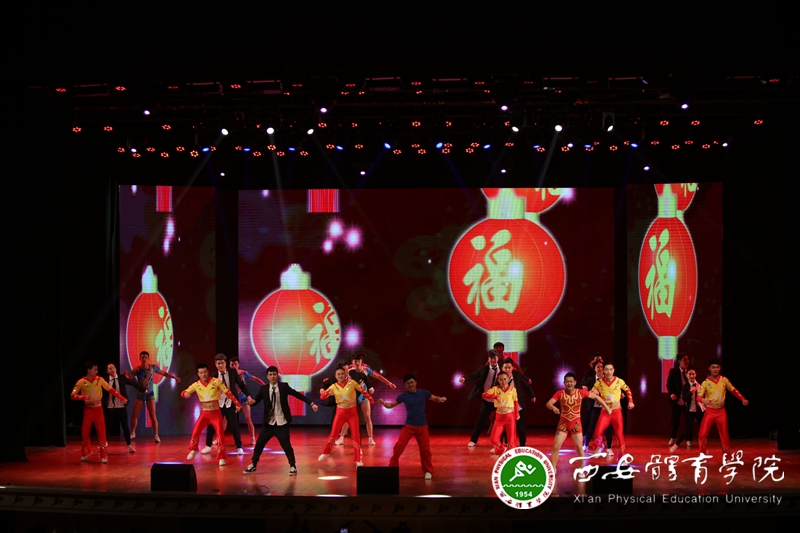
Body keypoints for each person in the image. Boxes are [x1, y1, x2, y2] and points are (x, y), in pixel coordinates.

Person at [244, 366, 319, 475]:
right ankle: (253, 464)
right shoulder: (264, 389)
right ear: (267, 376)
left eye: (274, 374)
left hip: (282, 423)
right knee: (259, 444)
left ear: (277, 375)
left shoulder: (284, 387)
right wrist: (250, 402)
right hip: (269, 423)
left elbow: (297, 395)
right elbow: (256, 401)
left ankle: (292, 466)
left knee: (286, 445)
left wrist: (311, 403)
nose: (272, 376)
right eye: (270, 375)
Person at [378, 374, 446, 479]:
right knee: (400, 445)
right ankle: (393, 466)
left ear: (416, 382)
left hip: (422, 426)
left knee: (425, 449)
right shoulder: (404, 396)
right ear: (405, 385)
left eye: (412, 382)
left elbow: (434, 398)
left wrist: (441, 399)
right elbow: (391, 405)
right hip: (409, 426)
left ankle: (428, 470)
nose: (410, 384)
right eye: (408, 383)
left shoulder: (423, 393)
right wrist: (383, 403)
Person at [546, 372, 612, 470]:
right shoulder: (560, 393)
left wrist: (606, 407)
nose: (569, 383)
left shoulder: (580, 392)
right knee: (556, 447)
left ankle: (581, 469)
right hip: (563, 424)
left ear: (575, 382)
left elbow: (596, 397)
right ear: (564, 383)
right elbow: (548, 403)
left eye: (571, 381)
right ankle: (553, 469)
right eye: (567, 382)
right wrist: (553, 408)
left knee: (579, 448)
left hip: (576, 425)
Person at [182, 362, 242, 467]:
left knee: (220, 435)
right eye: (201, 373)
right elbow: (184, 392)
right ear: (198, 374)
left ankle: (222, 457)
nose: (203, 374)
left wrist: (237, 403)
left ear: (208, 372)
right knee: (195, 431)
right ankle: (194, 449)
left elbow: (228, 392)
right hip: (204, 413)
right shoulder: (196, 385)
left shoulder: (216, 381)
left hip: (215, 413)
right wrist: (185, 394)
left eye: (205, 372)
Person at [333, 351, 396, 447]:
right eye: (355, 361)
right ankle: (341, 438)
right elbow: (339, 377)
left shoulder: (366, 369)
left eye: (359, 360)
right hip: (352, 397)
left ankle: (370, 438)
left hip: (363, 396)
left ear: (361, 361)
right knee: (348, 418)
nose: (357, 362)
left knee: (367, 417)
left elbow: (378, 376)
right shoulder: (349, 370)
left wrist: (388, 383)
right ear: (352, 362)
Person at [71, 360, 128, 463]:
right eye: (95, 370)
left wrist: (122, 397)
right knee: (85, 431)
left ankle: (103, 455)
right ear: (89, 370)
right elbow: (73, 395)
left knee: (101, 432)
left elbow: (111, 389)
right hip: (88, 410)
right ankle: (87, 451)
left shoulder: (99, 380)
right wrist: (83, 397)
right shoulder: (81, 382)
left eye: (97, 370)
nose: (96, 372)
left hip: (98, 410)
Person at [318, 364, 374, 467]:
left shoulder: (352, 383)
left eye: (342, 374)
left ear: (345, 374)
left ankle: (358, 459)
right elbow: (322, 397)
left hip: (352, 413)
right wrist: (326, 393)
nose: (340, 376)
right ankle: (326, 452)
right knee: (333, 434)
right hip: (340, 413)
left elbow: (362, 390)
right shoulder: (333, 386)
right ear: (335, 376)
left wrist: (370, 398)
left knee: (355, 436)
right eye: (338, 374)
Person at [202, 353, 252, 456]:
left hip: (230, 403)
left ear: (225, 363)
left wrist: (248, 396)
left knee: (234, 425)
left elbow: (241, 385)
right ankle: (208, 445)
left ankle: (239, 447)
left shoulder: (232, 372)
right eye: (218, 363)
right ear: (215, 364)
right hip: (218, 404)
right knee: (211, 425)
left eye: (222, 363)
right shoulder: (213, 376)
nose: (220, 365)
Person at [696, 358, 748, 455]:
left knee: (724, 435)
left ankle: (727, 456)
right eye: (713, 367)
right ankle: (702, 453)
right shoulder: (705, 383)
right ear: (709, 368)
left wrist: (742, 399)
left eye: (717, 367)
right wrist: (703, 400)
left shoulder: (724, 380)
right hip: (710, 412)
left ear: (720, 368)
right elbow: (698, 397)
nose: (715, 369)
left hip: (721, 412)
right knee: (702, 434)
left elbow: (733, 390)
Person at [127, 350, 180, 443]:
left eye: (145, 357)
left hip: (150, 395)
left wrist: (174, 377)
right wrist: (126, 375)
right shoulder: (137, 369)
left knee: (152, 415)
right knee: (134, 415)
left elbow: (164, 373)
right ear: (140, 358)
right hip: (140, 394)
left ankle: (156, 435)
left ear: (148, 358)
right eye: (142, 357)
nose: (144, 359)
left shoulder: (153, 367)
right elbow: (129, 380)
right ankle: (133, 432)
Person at [590, 362, 635, 456]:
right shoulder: (599, 382)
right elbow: (591, 392)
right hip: (605, 412)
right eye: (606, 369)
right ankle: (600, 445)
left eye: (611, 369)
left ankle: (621, 457)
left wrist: (630, 401)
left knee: (619, 435)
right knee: (597, 433)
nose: (609, 372)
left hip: (616, 412)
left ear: (613, 370)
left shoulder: (619, 381)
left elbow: (627, 390)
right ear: (603, 371)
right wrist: (593, 392)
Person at [460, 349, 501, 447]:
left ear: (498, 358)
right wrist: (465, 378)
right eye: (491, 358)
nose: (493, 360)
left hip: (499, 399)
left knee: (503, 420)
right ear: (488, 359)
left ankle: (503, 442)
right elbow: (474, 375)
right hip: (487, 399)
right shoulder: (483, 369)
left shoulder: (502, 369)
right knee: (480, 420)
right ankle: (473, 440)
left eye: (495, 358)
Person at [103, 363, 145, 453]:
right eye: (110, 368)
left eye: (113, 367)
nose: (112, 369)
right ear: (107, 371)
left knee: (125, 426)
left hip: (121, 406)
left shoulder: (121, 378)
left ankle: (129, 446)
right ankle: (104, 444)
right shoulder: (105, 380)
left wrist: (143, 389)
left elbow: (133, 383)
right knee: (107, 426)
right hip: (110, 406)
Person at [229, 355, 266, 446]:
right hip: (232, 398)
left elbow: (255, 379)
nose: (234, 366)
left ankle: (253, 437)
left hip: (243, 397)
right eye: (232, 364)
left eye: (235, 364)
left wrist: (264, 385)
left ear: (238, 364)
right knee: (226, 419)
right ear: (229, 365)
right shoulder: (227, 375)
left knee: (248, 418)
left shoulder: (243, 373)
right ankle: (218, 438)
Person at [500, 358, 535, 446]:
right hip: (506, 406)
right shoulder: (500, 377)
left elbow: (526, 384)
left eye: (509, 367)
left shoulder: (517, 374)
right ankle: (507, 442)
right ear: (502, 368)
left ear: (512, 368)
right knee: (506, 426)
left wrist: (532, 395)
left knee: (521, 426)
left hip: (518, 405)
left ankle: (522, 444)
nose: (507, 370)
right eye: (505, 368)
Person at [482, 371, 519, 455]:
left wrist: (517, 413)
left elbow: (515, 401)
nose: (503, 381)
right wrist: (495, 396)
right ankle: (502, 448)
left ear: (508, 379)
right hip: (499, 417)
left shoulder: (512, 389)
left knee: (512, 441)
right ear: (498, 380)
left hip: (510, 416)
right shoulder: (495, 389)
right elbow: (484, 395)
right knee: (493, 439)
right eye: (501, 379)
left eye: (505, 379)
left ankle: (513, 457)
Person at [669, 367, 705, 453]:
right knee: (687, 430)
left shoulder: (700, 385)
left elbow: (703, 397)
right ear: (687, 375)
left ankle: (703, 448)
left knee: (703, 430)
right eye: (690, 374)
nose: (692, 376)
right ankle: (676, 445)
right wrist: (690, 392)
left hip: (699, 410)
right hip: (690, 411)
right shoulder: (685, 387)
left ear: (695, 375)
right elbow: (684, 399)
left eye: (693, 374)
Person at [582, 360, 612, 451]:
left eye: (601, 367)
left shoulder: (608, 379)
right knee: (591, 427)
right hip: (594, 407)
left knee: (607, 428)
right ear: (594, 369)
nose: (600, 369)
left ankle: (609, 447)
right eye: (598, 367)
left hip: (605, 407)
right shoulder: (590, 380)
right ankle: (585, 445)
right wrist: (590, 392)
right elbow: (584, 390)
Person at [667, 353, 690, 446]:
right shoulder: (673, 371)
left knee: (689, 420)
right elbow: (669, 384)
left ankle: (689, 439)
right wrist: (672, 393)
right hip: (677, 400)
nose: (686, 362)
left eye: (687, 360)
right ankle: (672, 437)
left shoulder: (690, 372)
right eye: (684, 360)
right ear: (679, 361)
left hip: (688, 400)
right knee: (675, 420)